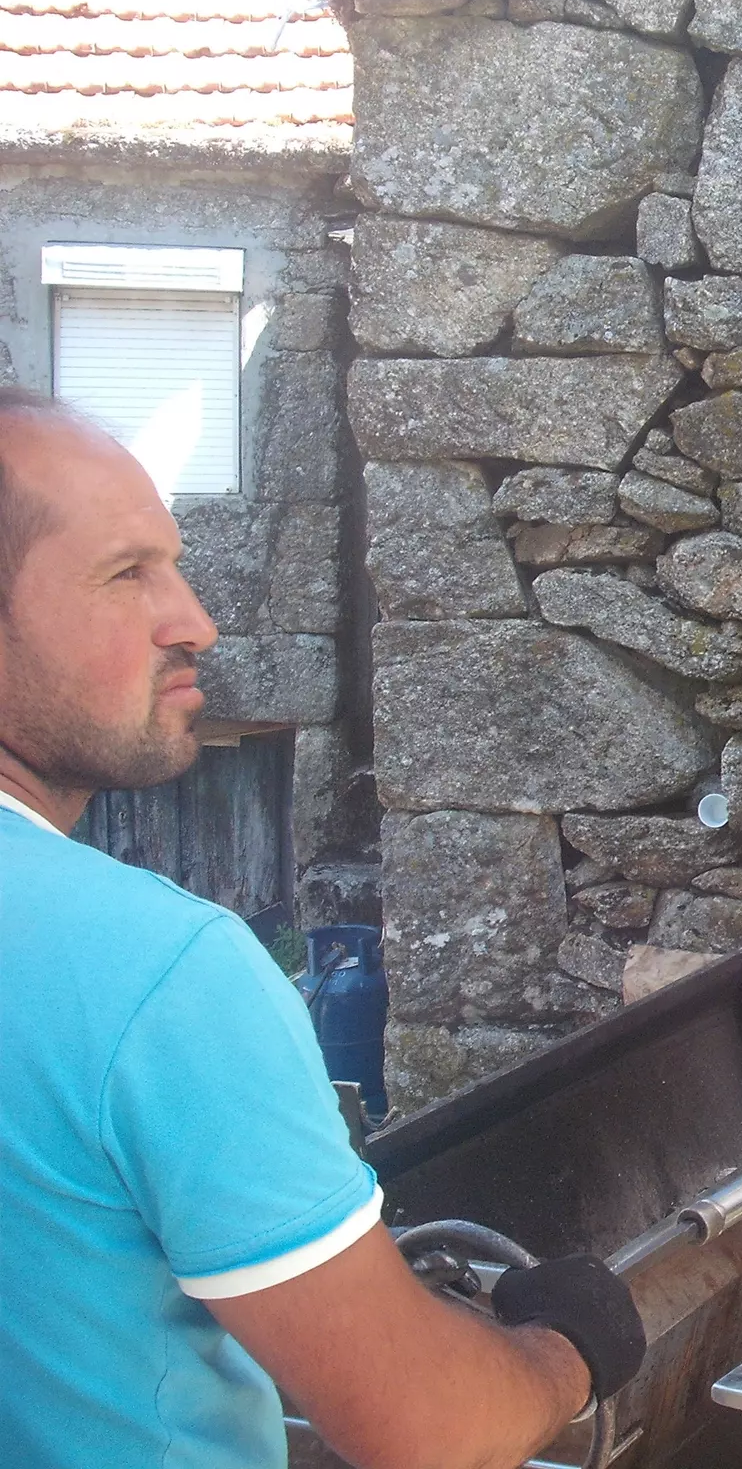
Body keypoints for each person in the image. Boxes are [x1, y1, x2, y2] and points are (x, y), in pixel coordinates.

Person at [0, 389, 646, 1469]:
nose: (194, 621)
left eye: (174, 565)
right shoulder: (158, 975)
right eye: (125, 574)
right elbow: (432, 1430)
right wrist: (567, 1349)